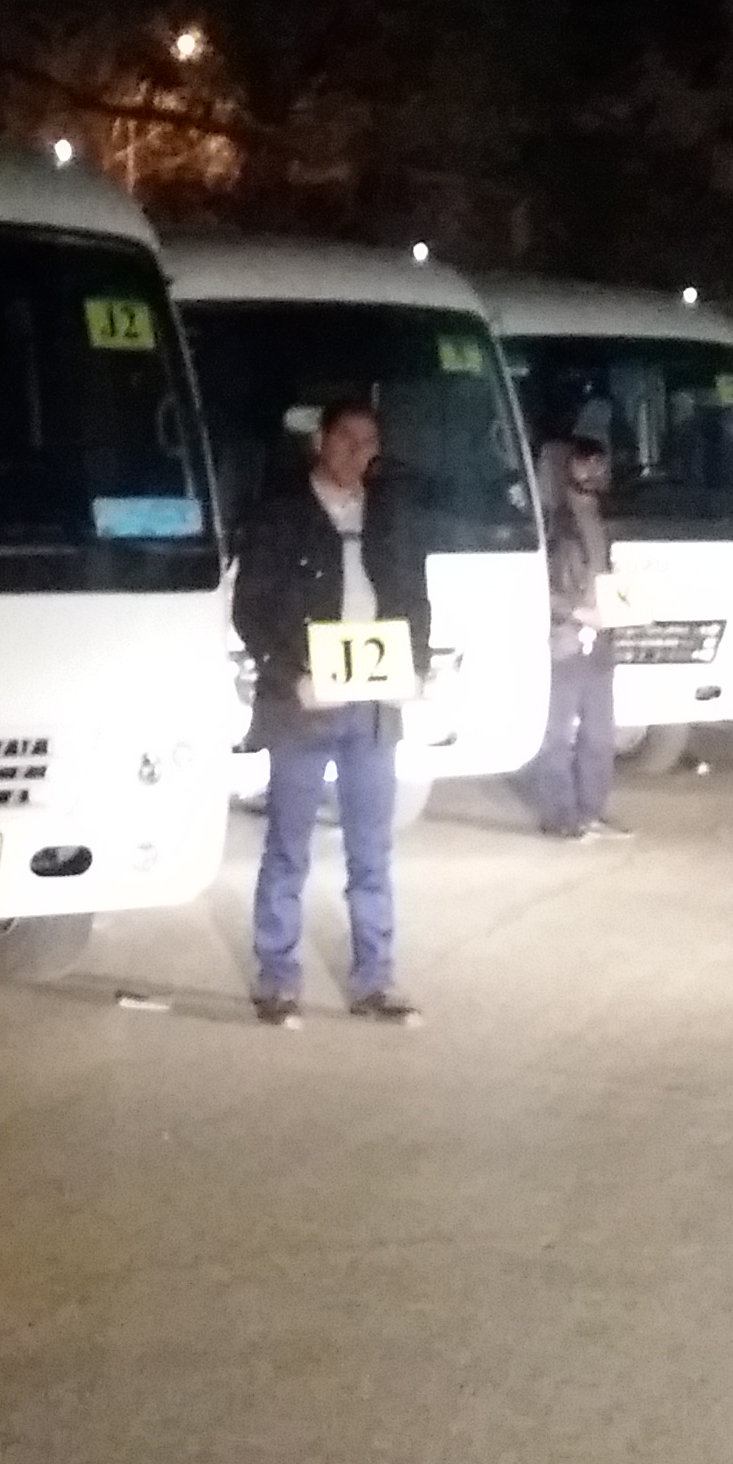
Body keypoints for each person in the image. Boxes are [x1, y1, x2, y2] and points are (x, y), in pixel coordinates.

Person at [233, 392, 431, 1026]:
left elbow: (415, 598)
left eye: (369, 443)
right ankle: (277, 978)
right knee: (288, 846)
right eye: (346, 439)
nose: (357, 453)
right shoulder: (282, 513)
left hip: (371, 708)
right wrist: (291, 676)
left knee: (371, 851)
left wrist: (415, 667)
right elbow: (251, 609)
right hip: (304, 707)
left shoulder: (388, 515)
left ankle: (376, 979)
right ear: (320, 441)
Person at [520, 429, 624, 839]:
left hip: (600, 639)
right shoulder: (550, 524)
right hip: (565, 640)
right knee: (558, 733)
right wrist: (578, 612)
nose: (594, 471)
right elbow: (537, 588)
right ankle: (560, 816)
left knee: (600, 734)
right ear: (567, 467)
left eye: (599, 463)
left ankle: (590, 812)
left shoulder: (603, 518)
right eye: (585, 462)